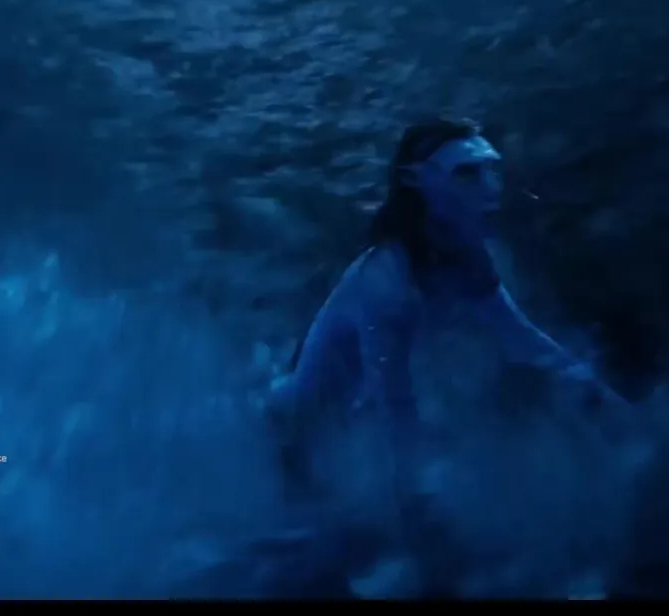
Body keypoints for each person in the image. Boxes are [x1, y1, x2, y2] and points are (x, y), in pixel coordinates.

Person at [261, 117, 626, 593]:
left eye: (491, 170)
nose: (491, 186)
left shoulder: (463, 259)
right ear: (416, 181)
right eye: (467, 173)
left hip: (342, 425)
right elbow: (394, 406)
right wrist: (418, 516)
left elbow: (519, 337)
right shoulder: (387, 281)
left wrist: (595, 391)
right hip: (300, 434)